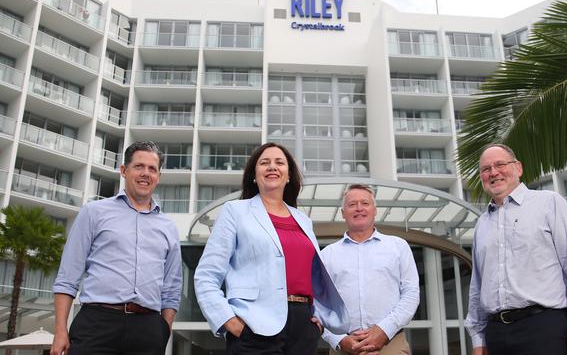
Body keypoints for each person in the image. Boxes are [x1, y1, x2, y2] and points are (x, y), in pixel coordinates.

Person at [194, 142, 348, 355]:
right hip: (254, 327)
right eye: (264, 163)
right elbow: (206, 275)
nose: (272, 167)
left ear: (289, 175)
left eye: (279, 163)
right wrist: (229, 321)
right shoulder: (235, 212)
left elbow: (313, 279)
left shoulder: (304, 220)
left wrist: (318, 323)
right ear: (254, 175)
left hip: (303, 328)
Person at [51, 141, 182, 355]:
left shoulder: (168, 227)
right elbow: (68, 277)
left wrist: (163, 330)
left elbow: (172, 287)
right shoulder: (93, 212)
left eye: (152, 169)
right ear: (124, 170)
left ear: (158, 176)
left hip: (148, 330)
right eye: (139, 166)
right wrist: (60, 331)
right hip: (97, 324)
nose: (145, 174)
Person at [465, 144, 567, 355]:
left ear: (518, 168)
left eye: (500, 164)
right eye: (486, 169)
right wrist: (478, 339)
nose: (493, 172)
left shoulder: (549, 203)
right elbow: (477, 287)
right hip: (496, 335)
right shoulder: (482, 224)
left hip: (544, 328)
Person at [322, 183, 420, 355]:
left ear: (375, 210)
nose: (359, 208)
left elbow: (411, 294)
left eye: (365, 203)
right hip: (343, 347)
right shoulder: (327, 255)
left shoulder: (398, 246)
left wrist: (383, 330)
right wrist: (339, 340)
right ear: (343, 213)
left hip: (390, 344)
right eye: (352, 204)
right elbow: (320, 305)